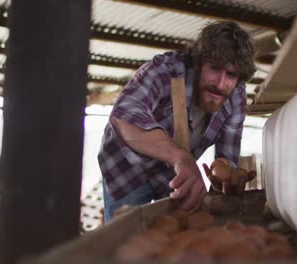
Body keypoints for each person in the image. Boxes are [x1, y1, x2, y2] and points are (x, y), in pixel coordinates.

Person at [98, 21, 256, 221]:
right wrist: (180, 157)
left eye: (231, 74)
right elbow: (124, 115)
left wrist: (225, 176)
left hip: (173, 175)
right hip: (127, 171)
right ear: (199, 63)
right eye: (214, 68)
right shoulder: (165, 70)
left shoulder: (236, 96)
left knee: (176, 235)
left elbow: (227, 157)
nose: (220, 84)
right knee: (127, 240)